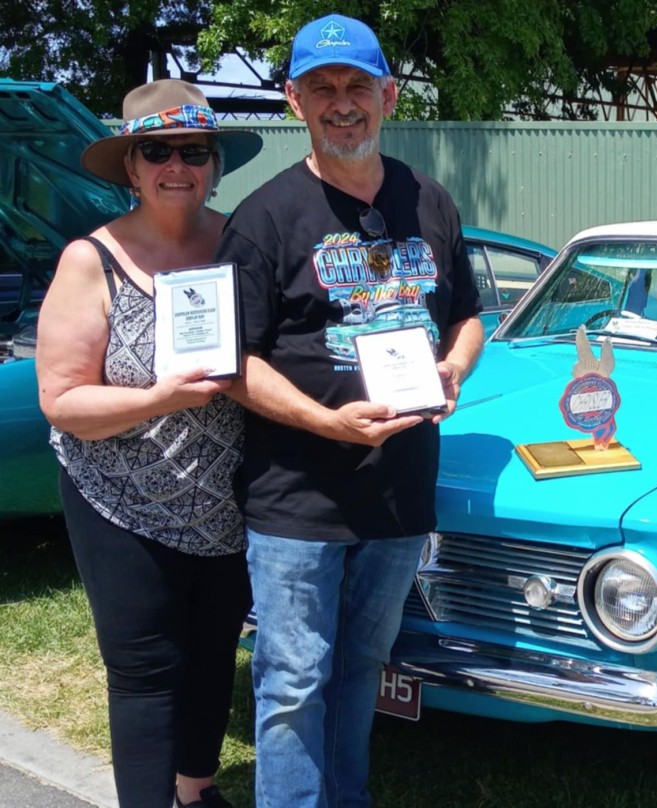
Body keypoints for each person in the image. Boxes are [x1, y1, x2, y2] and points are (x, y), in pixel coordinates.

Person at [214, 13, 484, 807]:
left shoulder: (427, 200)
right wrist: (324, 421)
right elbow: (233, 361)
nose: (342, 104)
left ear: (388, 96)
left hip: (398, 493)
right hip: (297, 496)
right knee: (294, 681)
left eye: (356, 87)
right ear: (294, 100)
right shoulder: (264, 217)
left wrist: (454, 368)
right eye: (322, 89)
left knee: (362, 668)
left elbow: (467, 315)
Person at [35, 79, 264, 808]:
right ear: (130, 167)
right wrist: (156, 399)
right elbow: (63, 400)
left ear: (215, 163)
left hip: (228, 504)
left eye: (193, 150)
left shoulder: (242, 245)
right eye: (157, 150)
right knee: (145, 671)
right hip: (120, 503)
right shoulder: (90, 260)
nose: (177, 166)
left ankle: (196, 791)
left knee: (210, 658)